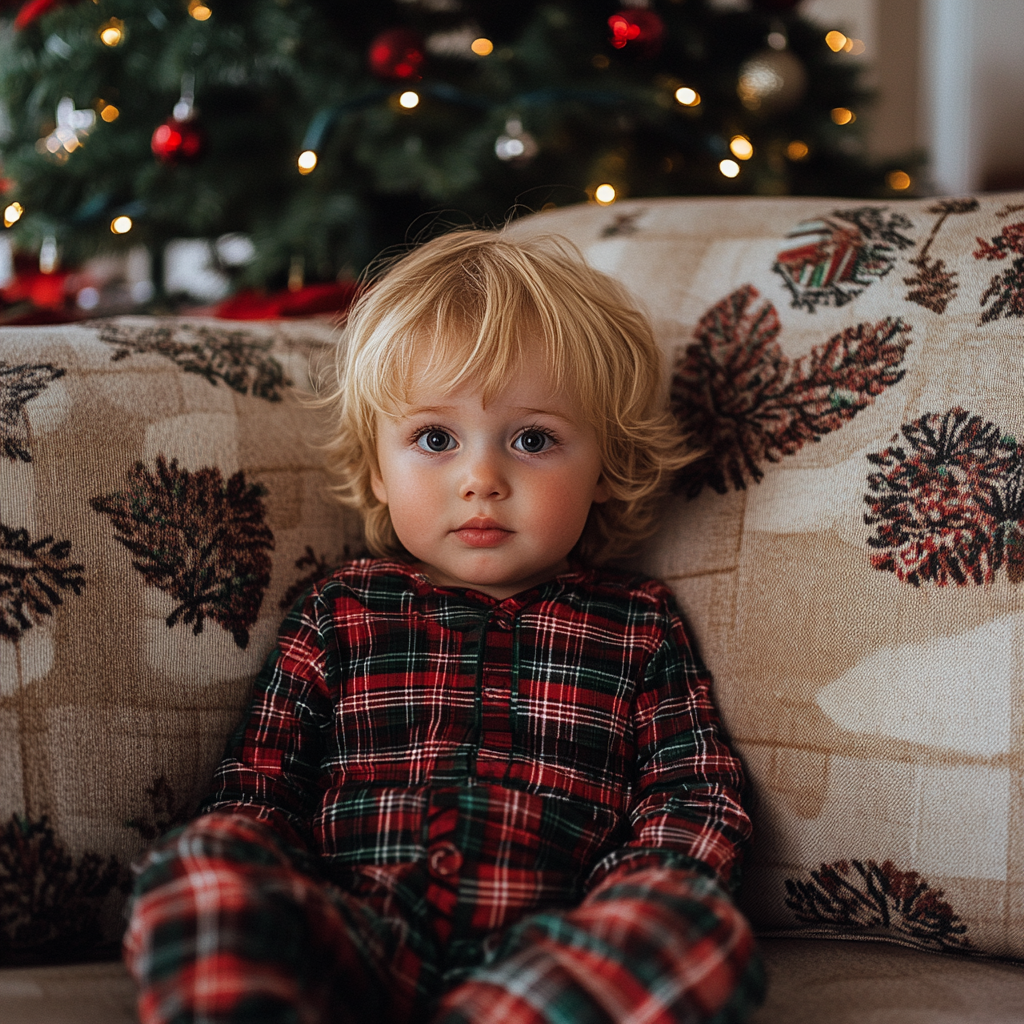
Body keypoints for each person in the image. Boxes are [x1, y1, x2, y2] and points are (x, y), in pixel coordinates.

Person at [123, 229, 765, 1024]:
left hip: (551, 959)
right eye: (435, 439)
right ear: (378, 471)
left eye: (533, 440)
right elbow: (260, 787)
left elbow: (693, 794)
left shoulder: (638, 625)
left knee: (696, 926)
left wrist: (638, 896)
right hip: (353, 936)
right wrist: (270, 887)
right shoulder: (341, 611)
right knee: (202, 860)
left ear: (604, 466)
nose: (482, 480)